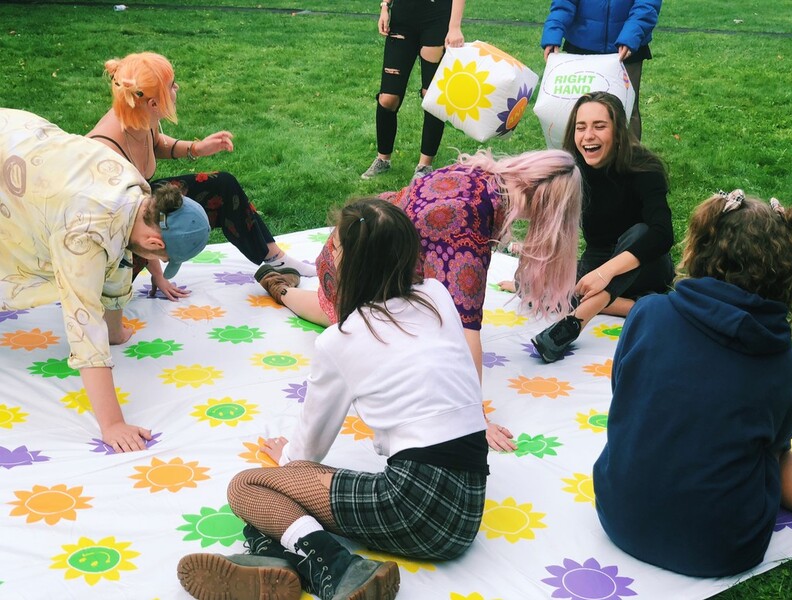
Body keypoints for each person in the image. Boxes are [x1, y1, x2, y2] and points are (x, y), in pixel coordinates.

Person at [177, 198, 489, 600]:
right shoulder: (436, 296)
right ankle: (274, 561)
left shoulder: (343, 338)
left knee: (249, 487)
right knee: (277, 510)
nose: (328, 252)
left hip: (414, 506)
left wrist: (286, 465)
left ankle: (338, 565)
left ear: (350, 265)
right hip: (468, 509)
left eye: (336, 247)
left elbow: (310, 445)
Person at [260, 149, 584, 452]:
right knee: (349, 323)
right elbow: (466, 328)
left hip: (350, 245)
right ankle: (281, 288)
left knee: (336, 313)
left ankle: (279, 287)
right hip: (356, 269)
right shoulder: (469, 220)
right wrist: (475, 419)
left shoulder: (479, 174)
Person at [593, 190, 792, 577]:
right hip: (721, 549)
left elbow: (624, 390)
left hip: (618, 515)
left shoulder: (648, 313)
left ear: (700, 250)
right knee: (772, 448)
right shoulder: (784, 365)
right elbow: (777, 444)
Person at [0, 108, 210, 453]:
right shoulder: (85, 234)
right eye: (163, 260)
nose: (158, 263)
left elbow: (120, 256)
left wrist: (115, 329)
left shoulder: (134, 190)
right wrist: (112, 423)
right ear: (156, 245)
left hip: (21, 137)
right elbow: (83, 322)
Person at [87, 51, 313, 301]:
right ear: (152, 103)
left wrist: (196, 148)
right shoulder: (106, 152)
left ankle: (274, 258)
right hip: (110, 239)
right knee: (110, 290)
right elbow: (131, 226)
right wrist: (158, 274)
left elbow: (154, 144)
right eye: (172, 86)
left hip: (140, 206)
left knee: (223, 185)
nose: (178, 88)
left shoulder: (139, 113)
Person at [531, 91, 674, 363]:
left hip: (645, 265)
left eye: (599, 126)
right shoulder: (572, 172)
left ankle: (575, 322)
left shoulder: (645, 167)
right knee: (552, 289)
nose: (588, 136)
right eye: (581, 127)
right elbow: (554, 230)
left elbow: (662, 234)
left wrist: (606, 273)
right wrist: (535, 278)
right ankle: (633, 307)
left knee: (640, 231)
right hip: (598, 261)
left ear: (618, 131)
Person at [360, 0, 466, 180]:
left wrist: (454, 27)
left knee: (431, 95)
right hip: (403, 19)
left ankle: (425, 165)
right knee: (387, 98)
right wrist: (385, 6)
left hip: (436, 18)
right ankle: (383, 159)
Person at [540, 0, 662, 140]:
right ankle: (582, 158)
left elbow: (647, 5)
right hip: (582, 45)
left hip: (627, 49)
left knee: (627, 109)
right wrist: (553, 33)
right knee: (581, 108)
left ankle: (631, 159)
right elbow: (564, 2)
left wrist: (630, 35)